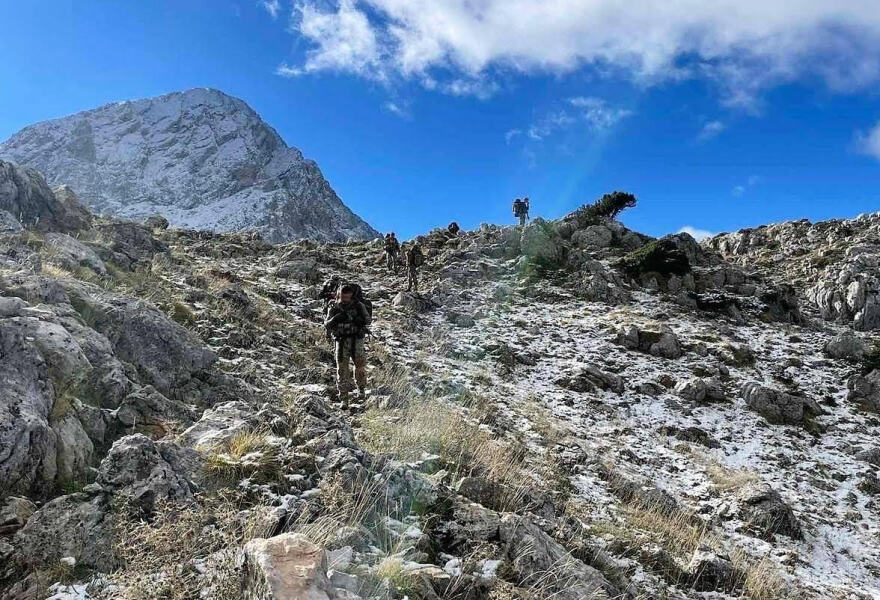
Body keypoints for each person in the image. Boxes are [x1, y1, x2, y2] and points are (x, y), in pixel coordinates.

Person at [324, 283, 371, 407]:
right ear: (340, 295)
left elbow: (368, 320)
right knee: (342, 370)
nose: (346, 299)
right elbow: (327, 324)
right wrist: (336, 319)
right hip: (341, 341)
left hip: (357, 340)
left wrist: (359, 320)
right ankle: (344, 398)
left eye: (348, 297)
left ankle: (361, 389)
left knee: (360, 366)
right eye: (344, 297)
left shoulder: (358, 305)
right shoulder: (334, 307)